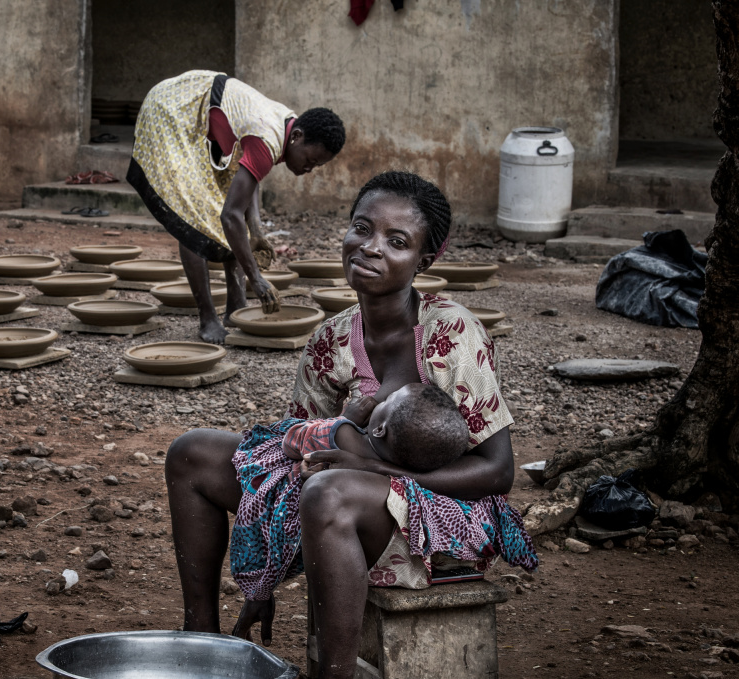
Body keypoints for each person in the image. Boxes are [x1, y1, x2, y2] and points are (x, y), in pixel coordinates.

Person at [165, 170, 537, 679]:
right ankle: (202, 643)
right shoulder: (329, 341)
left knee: (330, 492)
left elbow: (497, 473)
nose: (370, 247)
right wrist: (262, 576)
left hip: (443, 509)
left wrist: (372, 468)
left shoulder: (452, 334)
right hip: (335, 493)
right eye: (362, 228)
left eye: (396, 241)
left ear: (423, 261)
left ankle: (332, 675)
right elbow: (292, 451)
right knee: (192, 454)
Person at [127, 70, 345, 343]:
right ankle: (208, 317)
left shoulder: (285, 126)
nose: (309, 169)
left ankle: (235, 307)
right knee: (192, 219)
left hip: (203, 111)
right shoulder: (269, 136)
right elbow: (230, 216)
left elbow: (249, 176)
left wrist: (256, 231)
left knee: (229, 207)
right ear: (297, 137)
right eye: (310, 160)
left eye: (317, 166)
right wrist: (255, 276)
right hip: (172, 108)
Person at [230, 383, 471, 602]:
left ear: (379, 430)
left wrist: (343, 419)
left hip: (303, 523)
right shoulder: (406, 469)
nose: (381, 398)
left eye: (388, 400)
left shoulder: (342, 435)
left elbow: (291, 442)